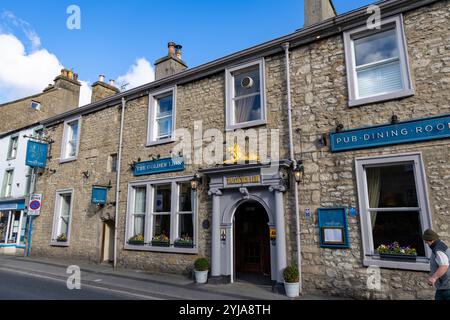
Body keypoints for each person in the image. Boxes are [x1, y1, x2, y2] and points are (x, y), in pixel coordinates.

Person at [423, 229, 450, 300]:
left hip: (447, 287)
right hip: (444, 286)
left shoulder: (438, 250)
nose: (426, 243)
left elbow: (444, 266)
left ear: (431, 240)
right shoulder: (441, 246)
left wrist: (433, 278)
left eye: (426, 241)